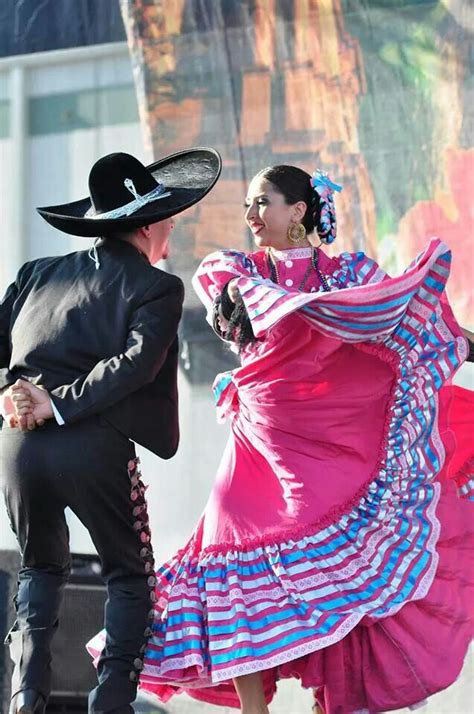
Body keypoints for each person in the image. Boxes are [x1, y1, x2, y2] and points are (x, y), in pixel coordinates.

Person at [93, 164, 470, 714]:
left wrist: (461, 342)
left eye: (262, 202)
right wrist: (245, 307)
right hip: (259, 441)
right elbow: (221, 293)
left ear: (298, 211)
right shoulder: (240, 272)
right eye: (248, 205)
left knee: (345, 572)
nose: (250, 215)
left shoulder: (348, 274)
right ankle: (254, 710)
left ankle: (329, 698)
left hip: (328, 444)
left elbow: (399, 313)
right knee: (226, 561)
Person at [0, 147, 222, 714]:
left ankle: (26, 698)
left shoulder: (37, 275)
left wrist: (13, 393)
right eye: (169, 217)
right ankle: (112, 703)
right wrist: (59, 404)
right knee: (130, 574)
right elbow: (136, 364)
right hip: (88, 442)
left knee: (39, 566)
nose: (173, 226)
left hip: (18, 446)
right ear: (148, 225)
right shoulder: (158, 286)